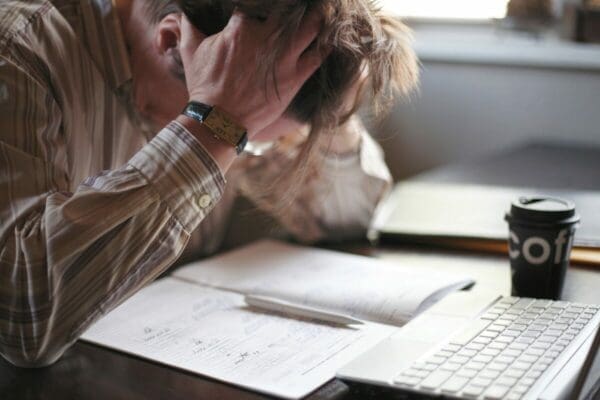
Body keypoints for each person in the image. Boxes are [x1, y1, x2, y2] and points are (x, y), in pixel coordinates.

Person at [0, 0, 418, 367]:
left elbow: (347, 217)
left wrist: (336, 112)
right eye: (241, 137)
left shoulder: (257, 86)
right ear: (170, 42)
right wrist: (213, 127)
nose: (243, 149)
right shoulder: (19, 53)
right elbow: (21, 318)